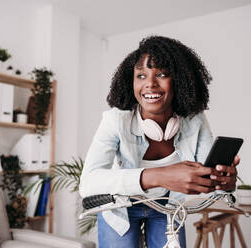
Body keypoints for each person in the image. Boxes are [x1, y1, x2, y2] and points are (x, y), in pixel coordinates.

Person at [79, 36, 239, 248]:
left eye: (162, 74)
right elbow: (88, 183)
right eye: (141, 75)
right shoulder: (115, 120)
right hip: (121, 207)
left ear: (180, 80)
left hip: (168, 207)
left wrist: (223, 183)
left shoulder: (195, 120)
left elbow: (207, 178)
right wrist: (160, 176)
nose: (150, 84)